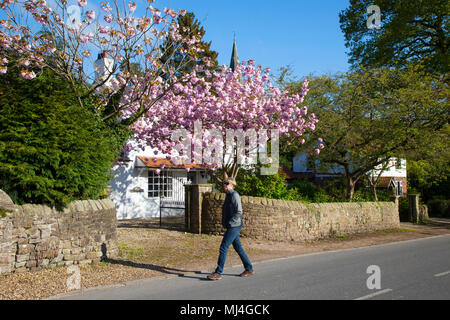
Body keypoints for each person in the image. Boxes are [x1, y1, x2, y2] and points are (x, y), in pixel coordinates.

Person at [207, 178, 254, 280]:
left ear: (232, 185)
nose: (224, 185)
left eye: (227, 183)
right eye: (224, 183)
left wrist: (230, 222)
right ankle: (249, 268)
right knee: (238, 248)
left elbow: (239, 212)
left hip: (234, 225)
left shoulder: (234, 195)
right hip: (231, 225)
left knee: (223, 247)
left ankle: (218, 273)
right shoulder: (228, 195)